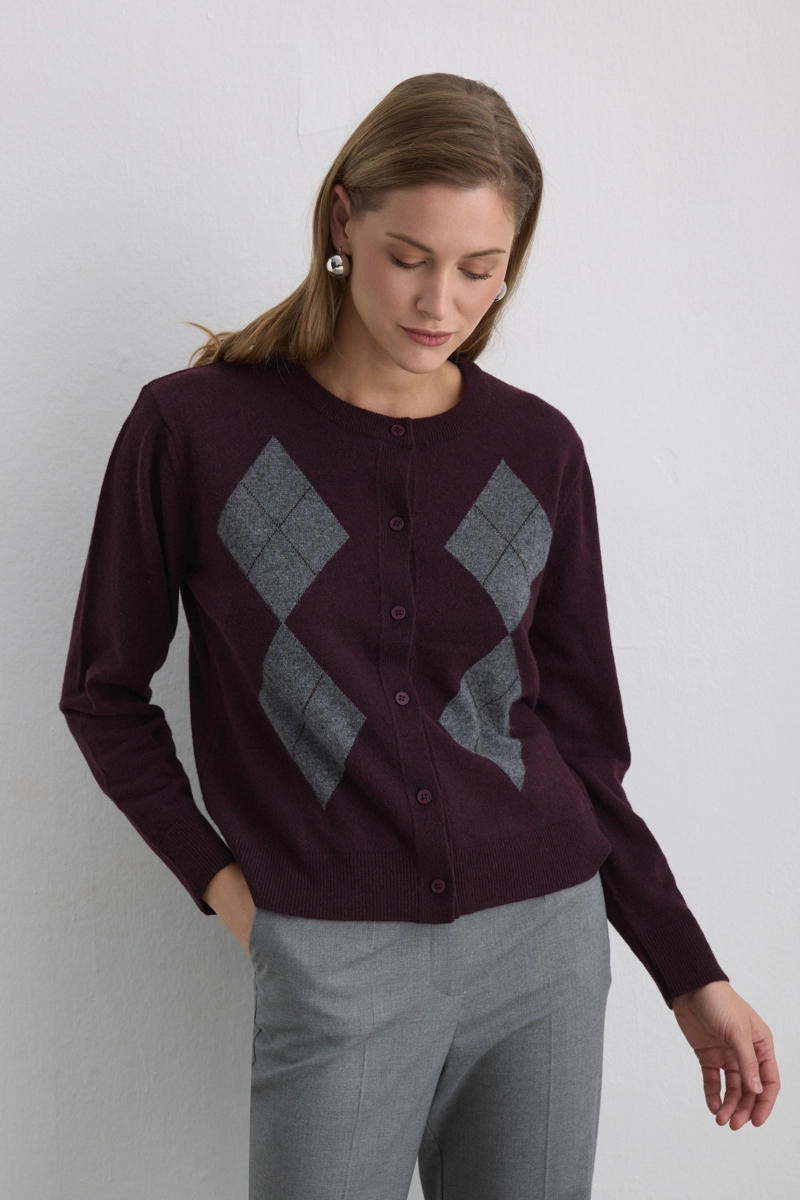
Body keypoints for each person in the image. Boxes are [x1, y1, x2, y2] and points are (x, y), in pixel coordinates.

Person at [59, 72, 779, 1199]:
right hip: (330, 953)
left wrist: (689, 973)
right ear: (343, 220)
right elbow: (104, 694)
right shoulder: (196, 430)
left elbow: (583, 745)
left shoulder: (535, 449)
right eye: (409, 257)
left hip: (545, 947)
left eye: (480, 270)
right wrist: (238, 899)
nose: (441, 302)